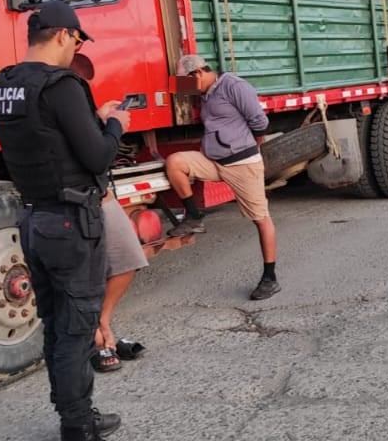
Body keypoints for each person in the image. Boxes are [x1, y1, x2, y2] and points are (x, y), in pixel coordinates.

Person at [0, 0, 128, 441]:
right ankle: (77, 424)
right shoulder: (62, 84)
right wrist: (115, 125)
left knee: (56, 324)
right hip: (71, 222)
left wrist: (93, 120)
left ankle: (73, 412)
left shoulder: (1, 86)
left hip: (33, 219)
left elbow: (46, 139)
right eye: (78, 39)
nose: (77, 47)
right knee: (77, 328)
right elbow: (98, 155)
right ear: (65, 35)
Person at [163, 54, 280, 301]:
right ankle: (194, 216)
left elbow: (260, 122)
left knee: (260, 219)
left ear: (198, 74)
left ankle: (270, 278)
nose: (186, 90)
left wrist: (248, 146)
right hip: (215, 162)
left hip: (242, 164)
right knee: (175, 163)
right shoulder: (206, 94)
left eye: (186, 82)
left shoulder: (234, 86)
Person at [68, 52, 149, 374]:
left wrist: (100, 119)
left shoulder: (74, 94)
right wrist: (113, 127)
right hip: (76, 198)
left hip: (100, 193)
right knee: (82, 276)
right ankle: (97, 337)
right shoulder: (52, 96)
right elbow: (95, 154)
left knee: (128, 257)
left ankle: (102, 321)